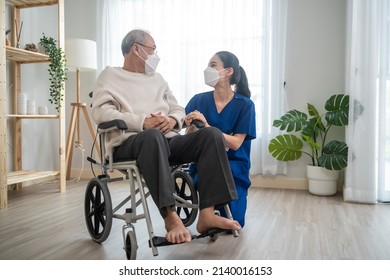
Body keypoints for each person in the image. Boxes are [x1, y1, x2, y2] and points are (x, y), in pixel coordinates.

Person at [91, 29, 241, 244]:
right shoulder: (109, 76)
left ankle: (207, 214)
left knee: (211, 134)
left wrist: (172, 121)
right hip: (130, 142)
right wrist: (143, 121)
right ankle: (170, 217)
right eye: (153, 49)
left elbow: (177, 108)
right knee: (153, 136)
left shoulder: (157, 78)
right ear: (137, 49)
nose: (155, 54)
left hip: (168, 140)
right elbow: (101, 113)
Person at [184, 51, 256, 228]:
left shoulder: (245, 105)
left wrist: (207, 128)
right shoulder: (198, 100)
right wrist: (192, 128)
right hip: (204, 165)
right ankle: (208, 213)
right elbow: (187, 137)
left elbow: (236, 143)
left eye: (213, 65)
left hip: (234, 167)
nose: (207, 69)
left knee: (236, 221)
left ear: (228, 71)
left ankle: (212, 212)